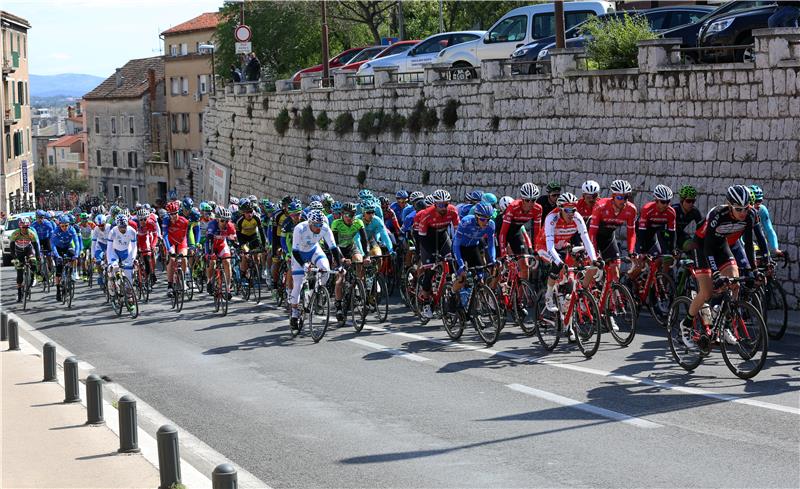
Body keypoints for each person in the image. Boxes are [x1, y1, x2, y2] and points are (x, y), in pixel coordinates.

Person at [680, 185, 770, 348]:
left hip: (722, 245)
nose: (743, 212)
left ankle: (726, 324)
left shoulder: (750, 215)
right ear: (729, 206)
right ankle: (686, 325)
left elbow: (749, 245)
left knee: (735, 282)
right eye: (738, 209)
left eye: (745, 208)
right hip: (702, 247)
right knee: (706, 292)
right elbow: (707, 247)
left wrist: (754, 270)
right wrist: (715, 273)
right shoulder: (717, 215)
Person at [536, 193, 601, 337]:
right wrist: (559, 263)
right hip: (545, 247)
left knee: (571, 285)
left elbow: (586, 240)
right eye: (568, 210)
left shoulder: (577, 217)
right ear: (560, 209)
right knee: (557, 266)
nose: (572, 213)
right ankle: (548, 296)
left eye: (574, 209)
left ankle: (568, 323)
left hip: (564, 246)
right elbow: (550, 246)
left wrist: (594, 259)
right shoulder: (551, 218)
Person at [288, 210, 342, 331]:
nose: (319, 227)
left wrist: (339, 266)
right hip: (299, 255)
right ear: (309, 223)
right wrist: (303, 265)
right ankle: (294, 313)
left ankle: (316, 292)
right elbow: (295, 251)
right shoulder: (300, 228)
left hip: (314, 250)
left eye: (320, 224)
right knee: (298, 284)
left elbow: (333, 248)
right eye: (316, 225)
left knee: (325, 270)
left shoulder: (325, 228)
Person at [451, 203, 496, 308]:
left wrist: (493, 259)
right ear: (476, 217)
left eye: (488, 219)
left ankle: (476, 306)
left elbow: (491, 244)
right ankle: (452, 293)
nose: (486, 222)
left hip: (473, 248)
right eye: (483, 219)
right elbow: (456, 245)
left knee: (480, 278)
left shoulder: (491, 225)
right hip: (459, 248)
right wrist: (461, 264)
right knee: (462, 278)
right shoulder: (466, 222)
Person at [10, 217, 40, 302]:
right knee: (19, 275)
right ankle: (20, 293)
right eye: (23, 227)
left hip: (28, 250)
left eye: (27, 227)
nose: (25, 229)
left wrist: (38, 256)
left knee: (33, 263)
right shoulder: (15, 234)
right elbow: (11, 246)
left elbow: (36, 246)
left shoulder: (31, 233)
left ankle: (32, 278)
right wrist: (14, 257)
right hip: (18, 252)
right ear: (20, 227)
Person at [673, 185, 704, 252]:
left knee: (692, 247)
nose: (691, 204)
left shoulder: (694, 212)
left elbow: (701, 229)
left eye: (693, 201)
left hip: (680, 235)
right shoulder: (674, 210)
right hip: (667, 235)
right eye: (688, 201)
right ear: (682, 200)